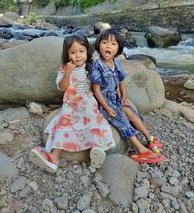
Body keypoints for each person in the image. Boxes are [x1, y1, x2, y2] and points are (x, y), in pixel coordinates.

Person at [29, 35, 115, 173]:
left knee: (95, 119)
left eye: (81, 51)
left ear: (87, 51)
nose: (78, 56)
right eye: (73, 52)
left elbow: (100, 85)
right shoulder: (64, 68)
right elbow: (62, 87)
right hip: (71, 103)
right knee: (64, 124)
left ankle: (97, 150)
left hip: (87, 101)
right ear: (67, 54)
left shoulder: (91, 67)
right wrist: (68, 73)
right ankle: (54, 158)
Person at [90, 28, 164, 163]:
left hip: (116, 99)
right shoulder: (97, 66)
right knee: (122, 120)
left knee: (130, 112)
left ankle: (149, 138)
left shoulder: (115, 63)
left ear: (118, 49)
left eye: (113, 44)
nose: (108, 46)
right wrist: (106, 108)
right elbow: (96, 90)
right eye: (105, 42)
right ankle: (142, 150)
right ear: (98, 45)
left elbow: (122, 81)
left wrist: (124, 98)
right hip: (104, 104)